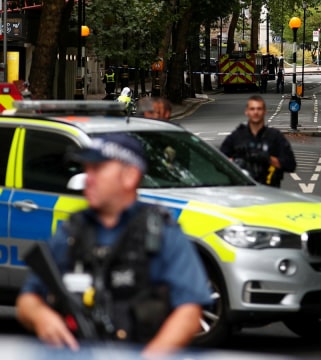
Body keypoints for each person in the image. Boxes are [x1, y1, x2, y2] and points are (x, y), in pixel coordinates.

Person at [16, 133, 212, 356]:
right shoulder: (72, 231)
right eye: (87, 169)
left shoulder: (161, 233)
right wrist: (42, 317)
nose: (87, 178)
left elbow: (189, 312)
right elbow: (27, 301)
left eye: (97, 169)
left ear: (130, 176)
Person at [220, 95, 296, 187]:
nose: (256, 112)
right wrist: (238, 160)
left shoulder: (275, 136)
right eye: (252, 109)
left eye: (259, 109)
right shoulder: (237, 136)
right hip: (243, 191)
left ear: (264, 111)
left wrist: (268, 158)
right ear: (247, 112)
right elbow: (219, 162)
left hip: (269, 190)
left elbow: (290, 165)